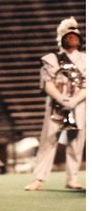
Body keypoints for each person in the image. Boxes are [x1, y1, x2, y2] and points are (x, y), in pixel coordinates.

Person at [25, 17, 86, 191]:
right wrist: (60, 98)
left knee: (76, 142)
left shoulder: (85, 59)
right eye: (69, 35)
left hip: (78, 105)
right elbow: (47, 82)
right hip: (56, 106)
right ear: (62, 38)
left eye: (75, 35)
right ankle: (38, 178)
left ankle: (72, 178)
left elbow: (87, 84)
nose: (72, 38)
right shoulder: (51, 59)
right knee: (48, 141)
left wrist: (75, 100)